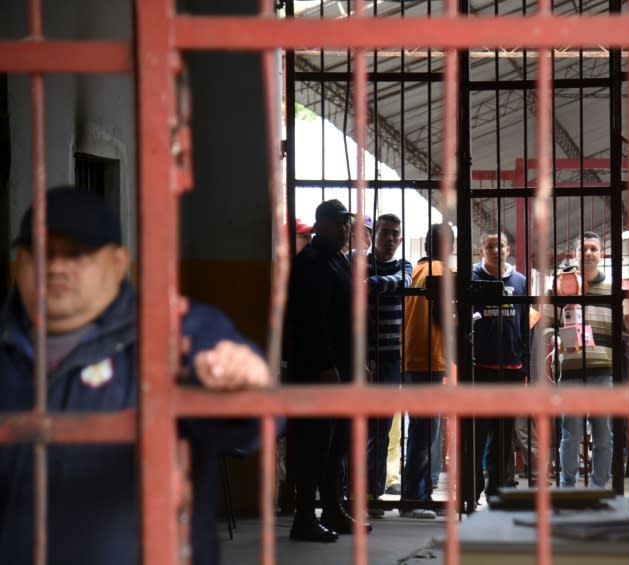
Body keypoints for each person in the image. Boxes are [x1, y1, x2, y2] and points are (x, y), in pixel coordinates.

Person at [0, 186, 271, 565]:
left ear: (118, 262)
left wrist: (245, 387)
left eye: (77, 253)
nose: (56, 266)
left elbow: (257, 424)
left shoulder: (179, 333)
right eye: (40, 252)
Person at [286, 199, 372, 542]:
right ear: (321, 225)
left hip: (341, 366)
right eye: (338, 223)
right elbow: (311, 321)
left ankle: (333, 511)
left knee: (335, 444)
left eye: (347, 223)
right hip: (321, 370)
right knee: (315, 444)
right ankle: (304, 518)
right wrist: (325, 365)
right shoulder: (312, 263)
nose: (345, 229)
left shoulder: (337, 260)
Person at [470, 231, 533, 495]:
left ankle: (497, 490)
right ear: (481, 250)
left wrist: (526, 364)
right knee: (477, 433)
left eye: (501, 245)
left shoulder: (519, 280)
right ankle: (470, 491)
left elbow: (523, 322)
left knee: (504, 434)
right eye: (490, 246)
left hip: (512, 368)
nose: (496, 250)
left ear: (509, 249)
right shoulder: (472, 277)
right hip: (480, 367)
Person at [552, 231, 614, 488]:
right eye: (583, 249)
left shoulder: (612, 291)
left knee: (603, 435)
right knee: (571, 433)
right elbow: (546, 326)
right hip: (572, 371)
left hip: (602, 370)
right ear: (575, 254)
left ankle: (599, 489)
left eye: (593, 249)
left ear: (601, 255)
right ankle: (567, 487)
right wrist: (555, 338)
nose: (588, 253)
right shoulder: (561, 286)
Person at [401, 223, 454, 519]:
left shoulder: (415, 272)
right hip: (430, 358)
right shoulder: (441, 272)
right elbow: (442, 315)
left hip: (410, 357)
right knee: (425, 433)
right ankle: (415, 498)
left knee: (418, 430)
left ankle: (417, 493)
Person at [364, 214, 412, 515]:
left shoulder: (403, 266)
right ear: (374, 236)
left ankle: (372, 494)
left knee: (380, 427)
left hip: (391, 357)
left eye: (395, 234)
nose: (390, 239)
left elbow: (403, 281)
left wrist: (372, 283)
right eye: (385, 233)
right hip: (362, 356)